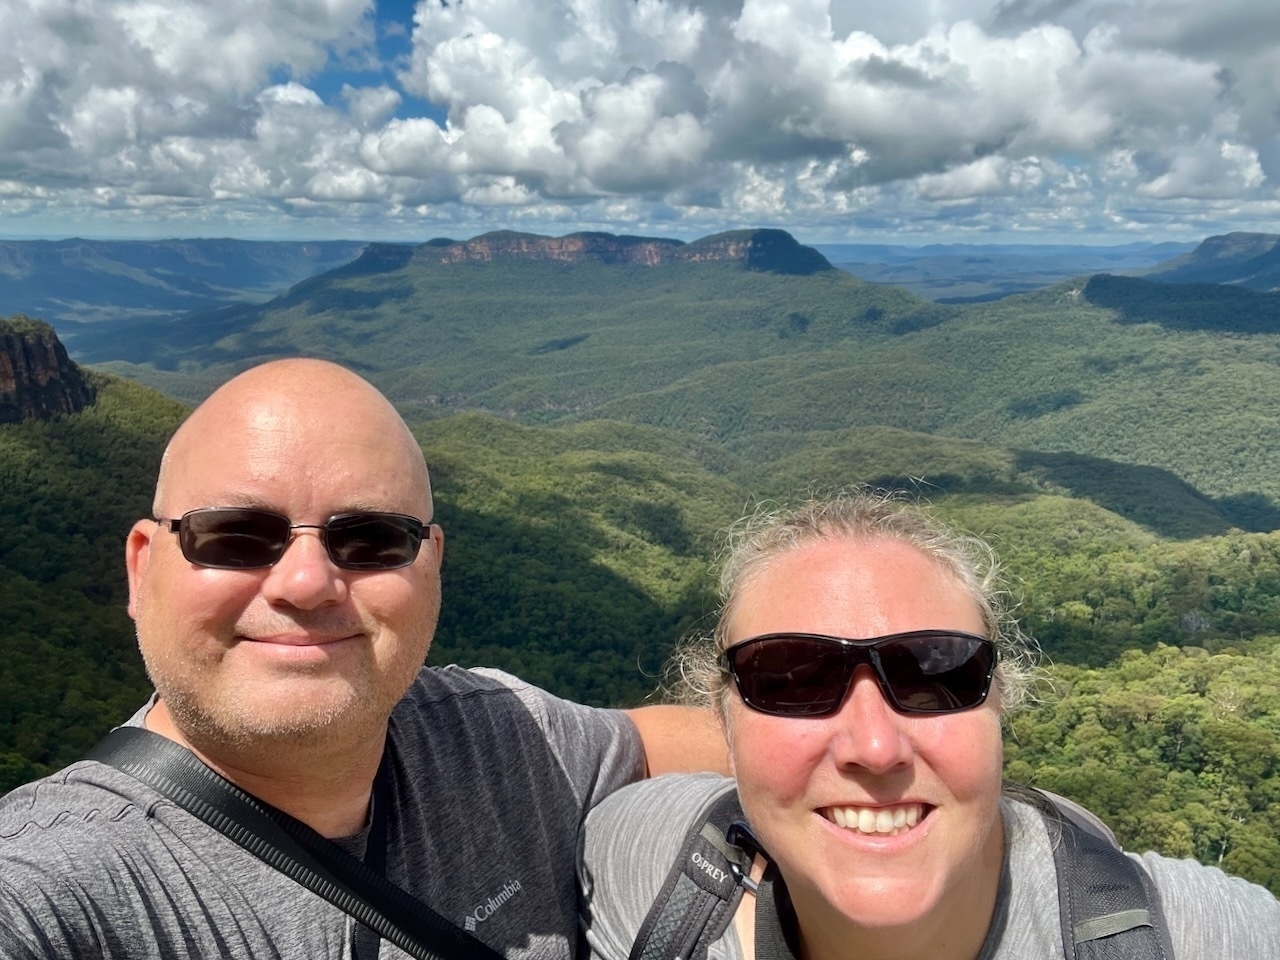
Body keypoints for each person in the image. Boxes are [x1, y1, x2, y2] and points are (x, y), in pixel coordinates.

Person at [0, 358, 724, 959]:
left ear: (431, 565)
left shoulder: (499, 735)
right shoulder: (49, 890)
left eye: (371, 538)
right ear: (140, 569)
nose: (307, 582)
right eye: (236, 535)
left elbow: (704, 747)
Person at [579, 491, 1280, 960]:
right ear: (724, 718)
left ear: (998, 700)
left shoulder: (1204, 937)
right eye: (790, 679)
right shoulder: (640, 868)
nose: (875, 747)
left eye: (936, 675)